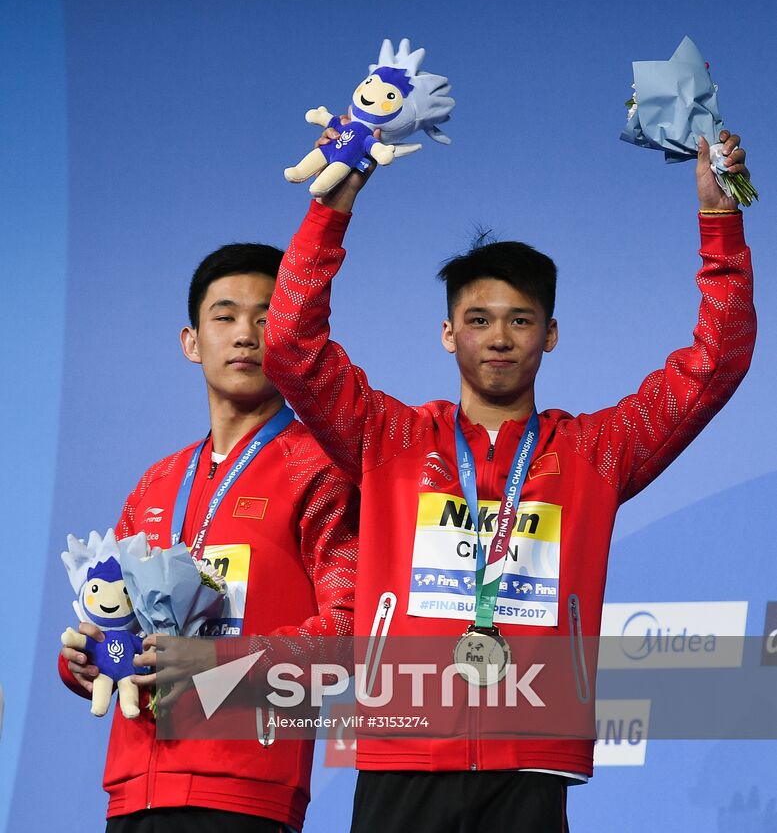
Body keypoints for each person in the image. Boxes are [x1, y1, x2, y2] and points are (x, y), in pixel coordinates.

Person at [262, 131, 756, 833]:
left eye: (519, 320)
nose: (498, 338)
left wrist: (719, 220)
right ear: (446, 333)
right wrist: (332, 207)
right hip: (403, 748)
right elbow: (289, 345)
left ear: (549, 334)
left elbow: (716, 363)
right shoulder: (389, 440)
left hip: (531, 758)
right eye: (478, 320)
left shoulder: (594, 452)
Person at [60, 242, 359, 833]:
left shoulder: (321, 471)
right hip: (132, 797)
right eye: (224, 316)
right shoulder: (156, 482)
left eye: (268, 317)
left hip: (246, 797)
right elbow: (113, 618)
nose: (246, 335)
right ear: (191, 343)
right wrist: (86, 659)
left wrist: (215, 664)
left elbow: (347, 637)